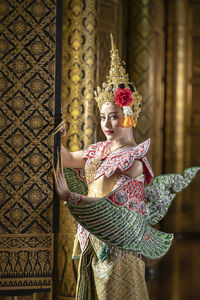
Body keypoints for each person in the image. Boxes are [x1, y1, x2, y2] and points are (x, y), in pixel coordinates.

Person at [54, 34, 199, 300]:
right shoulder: (99, 150)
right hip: (92, 239)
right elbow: (63, 158)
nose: (107, 125)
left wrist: (70, 197)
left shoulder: (133, 161)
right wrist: (57, 134)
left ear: (129, 117)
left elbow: (114, 207)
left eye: (114, 117)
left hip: (118, 245)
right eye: (103, 118)